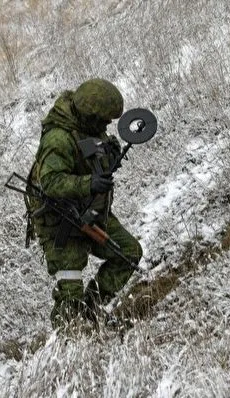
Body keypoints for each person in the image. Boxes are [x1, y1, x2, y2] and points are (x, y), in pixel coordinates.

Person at [27, 78, 143, 330]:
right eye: (102, 121)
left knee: (129, 254)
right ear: (90, 114)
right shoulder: (58, 139)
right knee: (70, 293)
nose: (105, 126)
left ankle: (90, 313)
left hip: (91, 212)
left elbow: (91, 151)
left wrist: (107, 154)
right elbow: (51, 182)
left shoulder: (87, 127)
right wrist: (89, 183)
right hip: (61, 222)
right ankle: (66, 341)